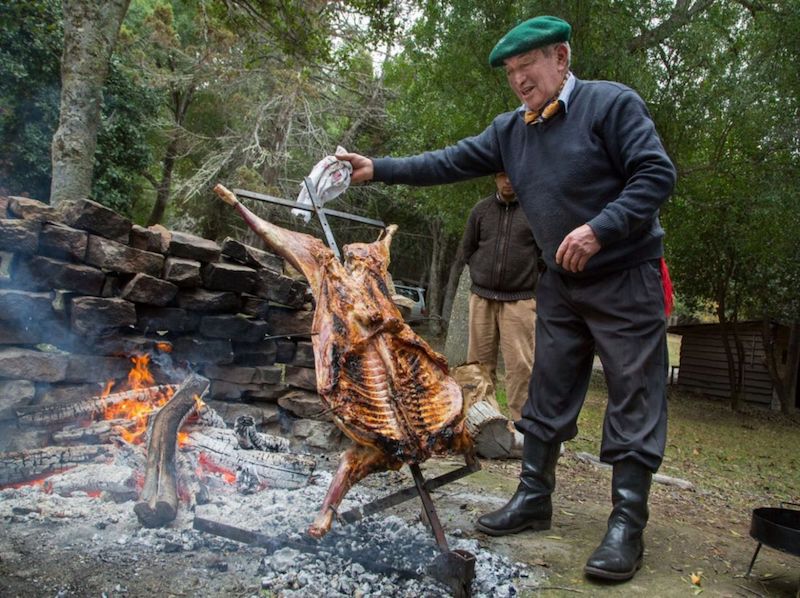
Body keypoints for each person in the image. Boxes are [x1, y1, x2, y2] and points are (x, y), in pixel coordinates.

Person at [337, 14, 676, 582]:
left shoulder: (611, 105)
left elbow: (654, 174)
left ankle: (626, 524)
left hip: (626, 277)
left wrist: (600, 228)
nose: (520, 80)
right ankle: (534, 498)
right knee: (546, 391)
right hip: (561, 284)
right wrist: (378, 170)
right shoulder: (510, 130)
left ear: (561, 59)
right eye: (512, 72)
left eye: (529, 66)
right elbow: (447, 160)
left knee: (634, 397)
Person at [462, 172, 538, 422]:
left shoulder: (534, 211)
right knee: (478, 366)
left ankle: (521, 425)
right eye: (502, 175)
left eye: (513, 175)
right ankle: (479, 422)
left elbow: (544, 255)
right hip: (482, 297)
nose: (508, 181)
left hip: (520, 300)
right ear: (495, 178)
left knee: (520, 366)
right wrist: (479, 271)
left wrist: (530, 280)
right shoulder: (481, 210)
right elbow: (468, 249)